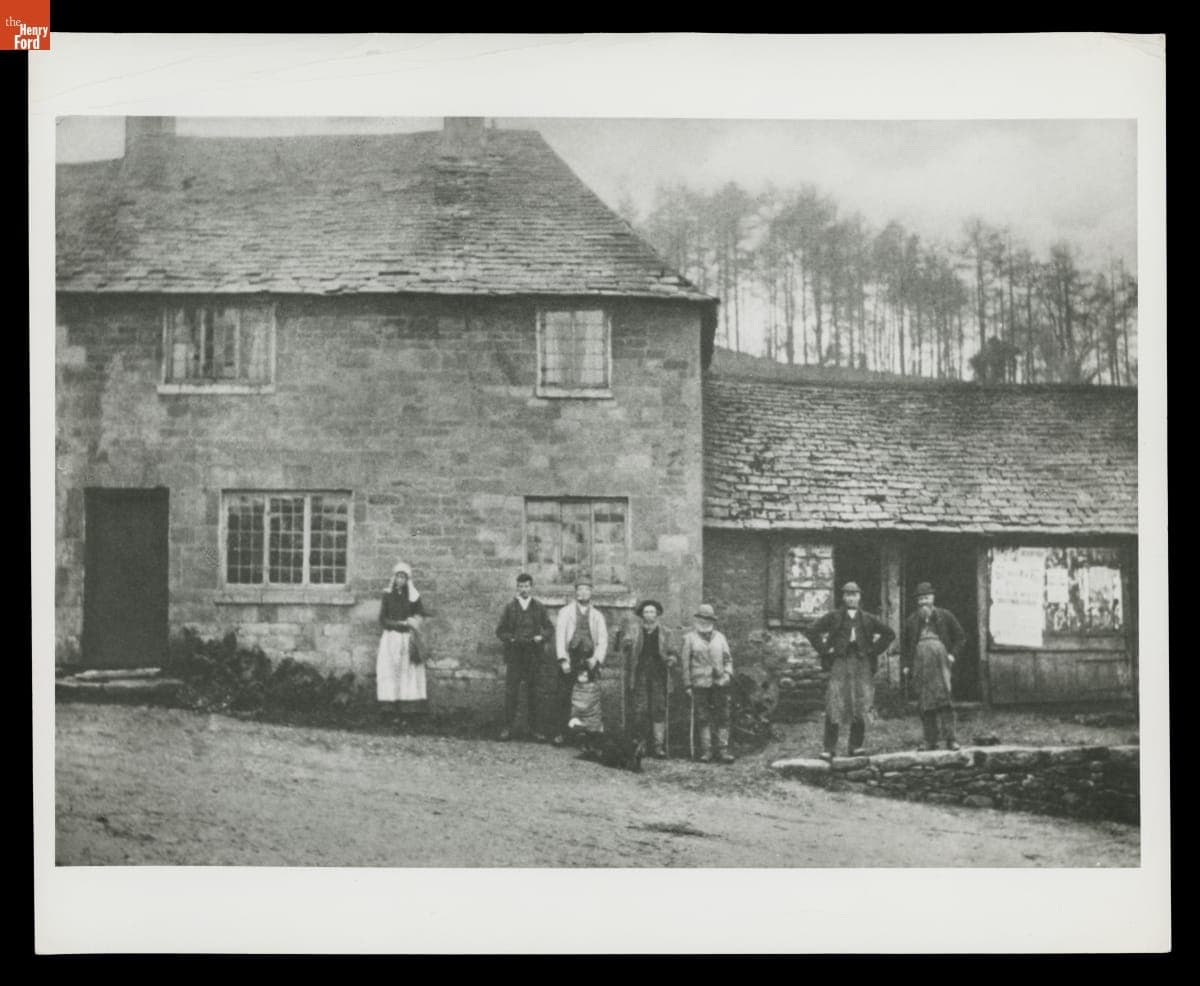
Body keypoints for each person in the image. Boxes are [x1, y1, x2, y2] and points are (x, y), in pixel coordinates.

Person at [803, 581, 895, 759]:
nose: (851, 598)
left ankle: (855, 746)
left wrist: (873, 651)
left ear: (859, 597)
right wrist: (824, 649)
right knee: (834, 702)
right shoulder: (834, 617)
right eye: (848, 595)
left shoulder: (868, 618)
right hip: (840, 663)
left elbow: (889, 634)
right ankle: (829, 748)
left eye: (854, 595)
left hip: (862, 664)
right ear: (843, 597)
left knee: (860, 703)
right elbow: (812, 631)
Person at [901, 582, 966, 751]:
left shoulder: (946, 616)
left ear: (933, 598)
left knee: (945, 699)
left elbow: (960, 637)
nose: (924, 602)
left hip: (941, 662)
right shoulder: (911, 621)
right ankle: (930, 740)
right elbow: (906, 645)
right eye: (921, 599)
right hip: (920, 663)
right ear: (917, 601)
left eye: (927, 598)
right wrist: (907, 665)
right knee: (925, 701)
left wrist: (952, 655)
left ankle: (951, 739)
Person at [495, 573, 554, 741]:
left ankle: (535, 730)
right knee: (511, 692)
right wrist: (510, 638)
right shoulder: (510, 608)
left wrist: (541, 637)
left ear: (531, 587)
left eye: (526, 586)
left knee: (534, 692)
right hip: (515, 654)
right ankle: (507, 728)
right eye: (520, 587)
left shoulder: (539, 607)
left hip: (533, 654)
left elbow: (549, 628)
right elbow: (500, 631)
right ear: (517, 588)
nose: (524, 589)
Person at [552, 576, 608, 746]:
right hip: (572, 658)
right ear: (575, 593)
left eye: (586, 589)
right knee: (565, 696)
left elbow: (603, 639)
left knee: (589, 699)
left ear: (591, 592)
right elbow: (560, 637)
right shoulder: (565, 612)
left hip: (589, 659)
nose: (583, 593)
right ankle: (562, 733)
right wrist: (563, 659)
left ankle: (588, 734)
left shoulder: (597, 615)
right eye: (580, 589)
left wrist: (596, 658)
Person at [621, 600, 679, 759]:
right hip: (639, 675)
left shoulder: (666, 632)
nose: (649, 615)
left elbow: (673, 652)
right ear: (642, 615)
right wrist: (626, 644)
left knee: (659, 708)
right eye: (646, 612)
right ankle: (641, 744)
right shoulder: (633, 631)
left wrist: (672, 659)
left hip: (659, 675)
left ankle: (659, 746)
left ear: (657, 614)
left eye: (652, 612)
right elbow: (624, 646)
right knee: (641, 709)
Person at [680, 603, 735, 764]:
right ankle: (706, 751)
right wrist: (687, 685)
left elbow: (728, 659)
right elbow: (685, 664)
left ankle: (723, 751)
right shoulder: (689, 638)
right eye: (701, 618)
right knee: (703, 717)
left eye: (708, 619)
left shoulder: (720, 637)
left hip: (719, 683)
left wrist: (727, 675)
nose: (704, 622)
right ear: (697, 619)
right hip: (699, 684)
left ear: (712, 620)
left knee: (723, 716)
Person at [377, 561, 427, 710]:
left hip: (407, 639)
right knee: (390, 671)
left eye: (404, 577)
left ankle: (408, 707)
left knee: (407, 672)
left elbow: (420, 614)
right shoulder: (387, 595)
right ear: (394, 577)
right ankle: (389, 706)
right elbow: (382, 619)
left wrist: (415, 621)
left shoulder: (413, 596)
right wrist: (399, 624)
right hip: (391, 638)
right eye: (398, 576)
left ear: (407, 580)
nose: (400, 580)